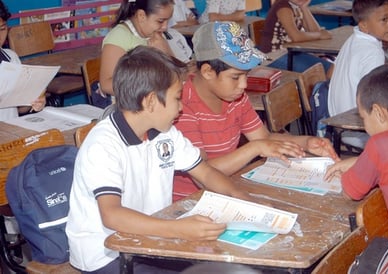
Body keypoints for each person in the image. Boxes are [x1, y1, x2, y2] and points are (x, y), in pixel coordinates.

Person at [66, 45, 253, 273]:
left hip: (151, 238)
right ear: (151, 101)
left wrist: (241, 199)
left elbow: (204, 172)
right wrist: (178, 229)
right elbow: (112, 215)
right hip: (106, 253)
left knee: (229, 262)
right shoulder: (103, 144)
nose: (182, 107)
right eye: (177, 98)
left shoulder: (165, 133)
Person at [173, 21, 338, 201]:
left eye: (246, 75)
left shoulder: (235, 97)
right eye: (236, 77)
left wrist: (305, 142)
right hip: (191, 201)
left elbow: (263, 138)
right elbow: (203, 172)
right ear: (207, 71)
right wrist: (254, 148)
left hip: (230, 188)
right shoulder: (181, 107)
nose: (243, 85)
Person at [325, 64, 388, 245]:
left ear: (379, 113)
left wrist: (356, 169)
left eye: (363, 118)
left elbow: (350, 193)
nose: (364, 125)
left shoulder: (379, 146)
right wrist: (361, 161)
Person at [327, 0, 388, 149]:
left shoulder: (353, 39)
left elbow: (329, 74)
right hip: (357, 132)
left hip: (339, 126)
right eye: (384, 19)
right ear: (364, 25)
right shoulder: (373, 53)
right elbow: (375, 101)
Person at [99, 0, 175, 96]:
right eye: (161, 21)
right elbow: (106, 85)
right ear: (141, 16)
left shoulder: (156, 36)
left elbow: (178, 74)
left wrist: (166, 51)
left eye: (168, 21)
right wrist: (150, 87)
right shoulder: (119, 37)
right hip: (129, 105)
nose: (165, 27)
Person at [0, 0, 45, 122]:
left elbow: (18, 109)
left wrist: (33, 102)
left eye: (2, 29)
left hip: (12, 131)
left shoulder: (11, 58)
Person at [259, 0, 333, 73]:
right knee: (328, 69)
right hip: (274, 56)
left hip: (291, 53)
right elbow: (295, 36)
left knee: (331, 67)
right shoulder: (283, 6)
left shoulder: (296, 6)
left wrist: (304, 8)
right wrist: (319, 35)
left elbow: (315, 30)